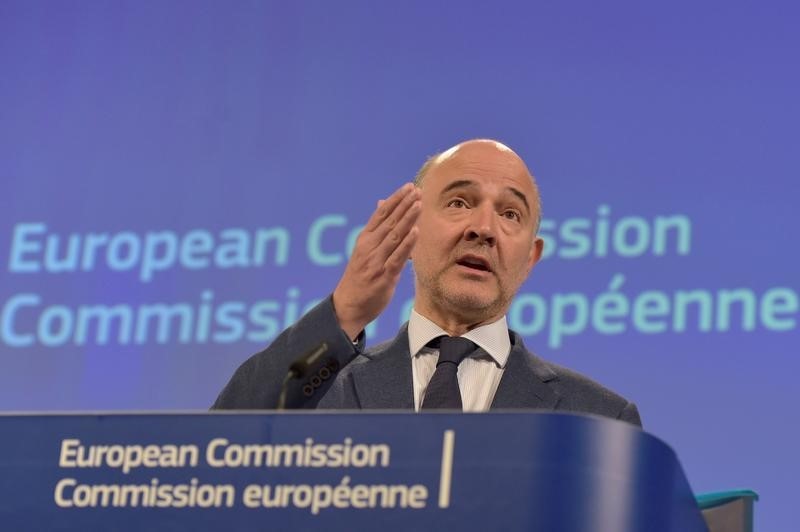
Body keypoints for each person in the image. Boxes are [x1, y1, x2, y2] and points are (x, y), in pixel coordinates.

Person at [213, 139, 641, 427]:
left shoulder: (599, 419)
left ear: (530, 258)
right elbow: (216, 450)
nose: (484, 228)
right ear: (409, 231)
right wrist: (346, 312)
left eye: (511, 213)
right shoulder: (325, 392)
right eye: (459, 202)